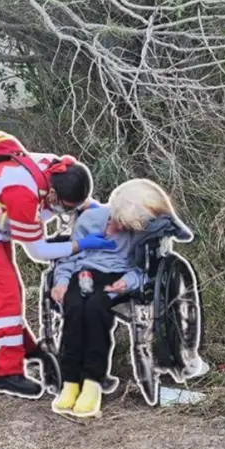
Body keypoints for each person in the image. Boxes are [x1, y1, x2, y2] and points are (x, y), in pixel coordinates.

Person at [0, 131, 117, 399]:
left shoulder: (56, 170)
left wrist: (103, 214)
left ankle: (26, 347)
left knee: (11, 289)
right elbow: (38, 251)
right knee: (5, 290)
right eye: (64, 207)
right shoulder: (23, 194)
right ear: (54, 194)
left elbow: (78, 201)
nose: (64, 212)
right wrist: (79, 246)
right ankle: (5, 372)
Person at [49, 178, 193, 417]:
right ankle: (70, 382)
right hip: (82, 272)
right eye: (121, 222)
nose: (123, 228)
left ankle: (93, 381)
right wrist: (61, 282)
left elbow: (143, 270)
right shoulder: (90, 220)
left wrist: (127, 282)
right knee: (74, 309)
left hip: (117, 276)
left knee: (96, 310)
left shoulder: (139, 231)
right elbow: (69, 257)